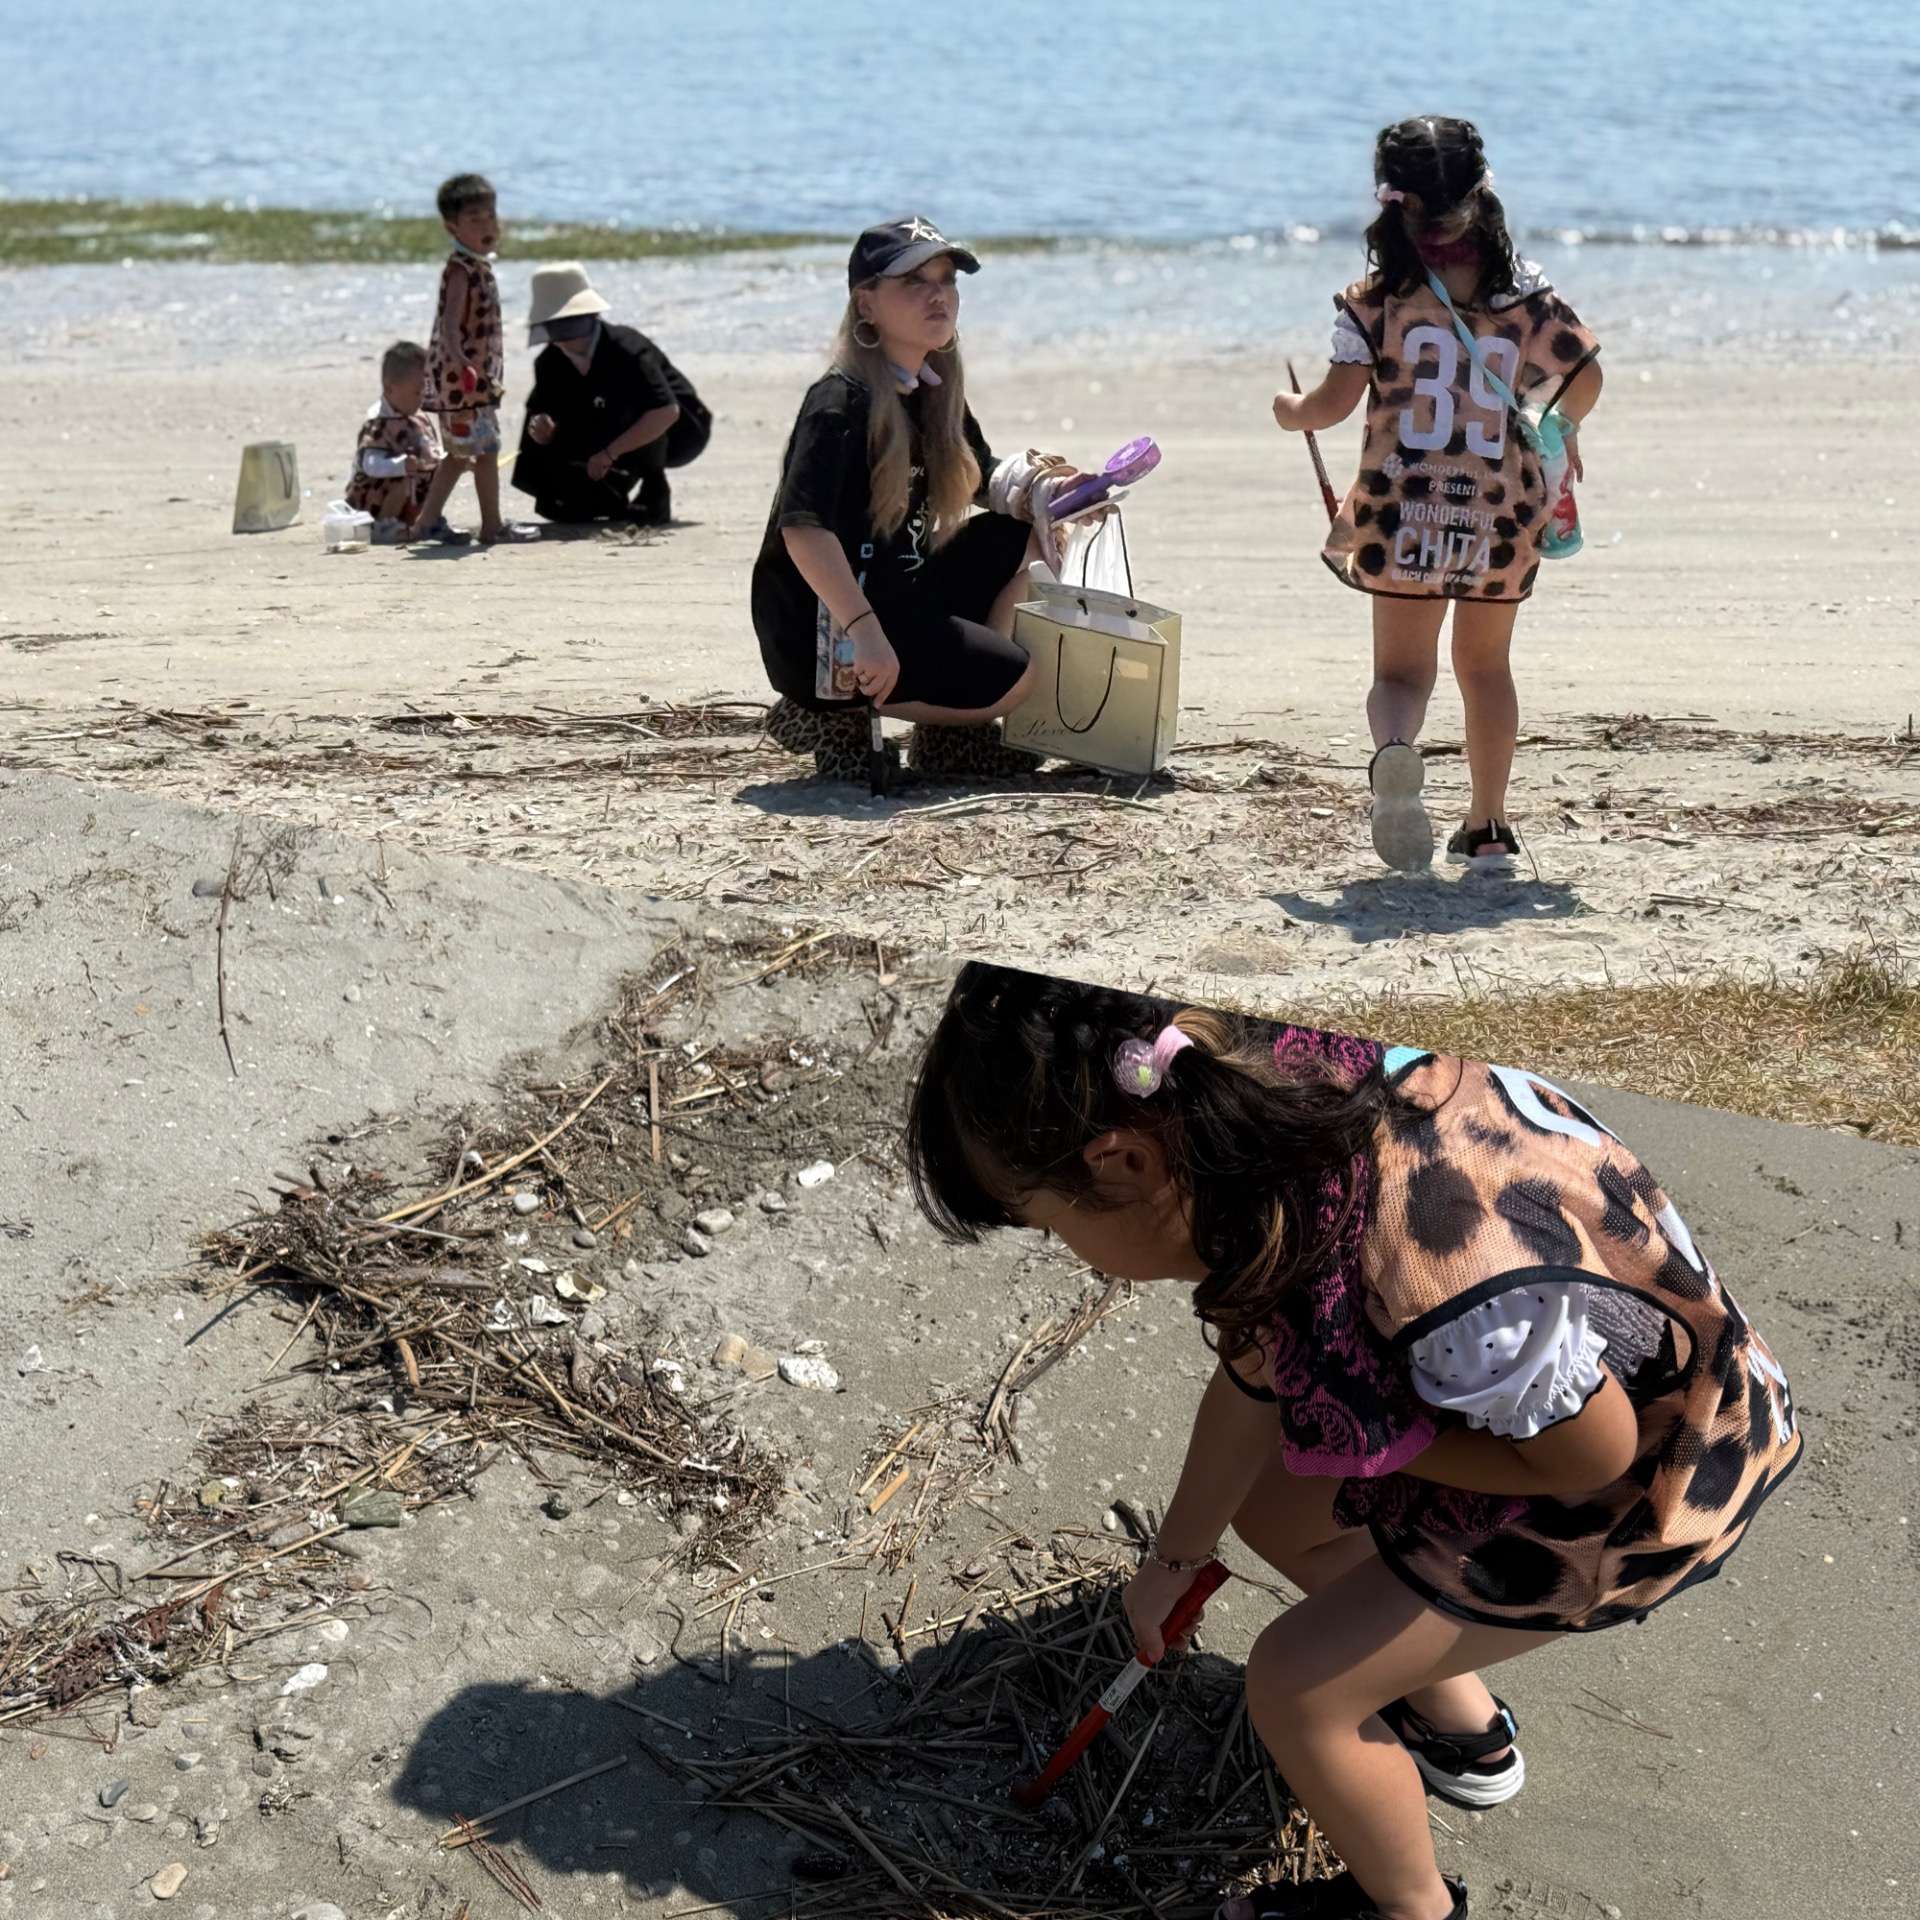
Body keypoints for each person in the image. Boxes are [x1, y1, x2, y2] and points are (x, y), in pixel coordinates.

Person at [906, 963, 1801, 1920]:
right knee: (1276, 1500)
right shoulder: (1274, 1113)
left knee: (1297, 1688)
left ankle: (1409, 1907)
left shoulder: (1444, 1275)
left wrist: (1380, 1441)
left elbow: (1591, 1458)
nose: (1070, 1255)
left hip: (1647, 1491)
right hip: (1528, 1423)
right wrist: (1174, 1560)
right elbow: (1259, 1370)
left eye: (1050, 1228)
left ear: (1123, 1164)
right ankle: (1461, 1730)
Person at [1274, 117, 1603, 872]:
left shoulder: (1378, 298)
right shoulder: (1526, 297)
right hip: (1500, 514)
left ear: (1391, 198)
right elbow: (1585, 378)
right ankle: (1488, 827)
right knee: (1485, 670)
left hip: (1400, 512)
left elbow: (1328, 406)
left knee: (1400, 673)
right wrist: (1557, 424)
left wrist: (1288, 411)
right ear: (1481, 191)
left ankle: (1396, 750)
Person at [752, 215, 1076, 784]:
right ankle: (829, 712)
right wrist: (865, 630)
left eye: (947, 280)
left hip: (899, 590)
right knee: (1016, 680)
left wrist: (1052, 491)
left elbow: (981, 478)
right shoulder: (838, 402)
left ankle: (952, 737)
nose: (939, 295)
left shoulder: (930, 389)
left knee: (1020, 537)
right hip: (825, 625)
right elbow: (802, 529)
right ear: (866, 303)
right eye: (914, 282)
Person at [512, 262, 712, 528]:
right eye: (555, 326)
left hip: (681, 431)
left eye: (572, 323)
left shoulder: (627, 348)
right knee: (563, 503)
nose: (565, 337)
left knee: (641, 406)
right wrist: (545, 431)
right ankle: (607, 495)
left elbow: (667, 411)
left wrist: (609, 453)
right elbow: (549, 418)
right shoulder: (549, 363)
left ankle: (654, 489)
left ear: (592, 316)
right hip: (605, 427)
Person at [410, 172, 532, 547]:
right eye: (475, 219)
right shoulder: (461, 270)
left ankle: (427, 522)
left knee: (460, 454)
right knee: (486, 450)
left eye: (491, 216)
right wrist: (463, 362)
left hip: (467, 382)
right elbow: (448, 325)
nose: (487, 225)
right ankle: (492, 526)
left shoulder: (479, 266)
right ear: (453, 227)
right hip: (463, 382)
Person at [343, 340, 445, 542]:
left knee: (441, 475)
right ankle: (383, 526)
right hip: (374, 499)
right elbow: (370, 463)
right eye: (416, 392)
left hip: (414, 493)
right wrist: (400, 465)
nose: (421, 397)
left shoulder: (416, 417)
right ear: (390, 389)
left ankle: (425, 520)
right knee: (402, 482)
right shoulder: (379, 422)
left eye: (424, 390)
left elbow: (430, 449)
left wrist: (450, 459)